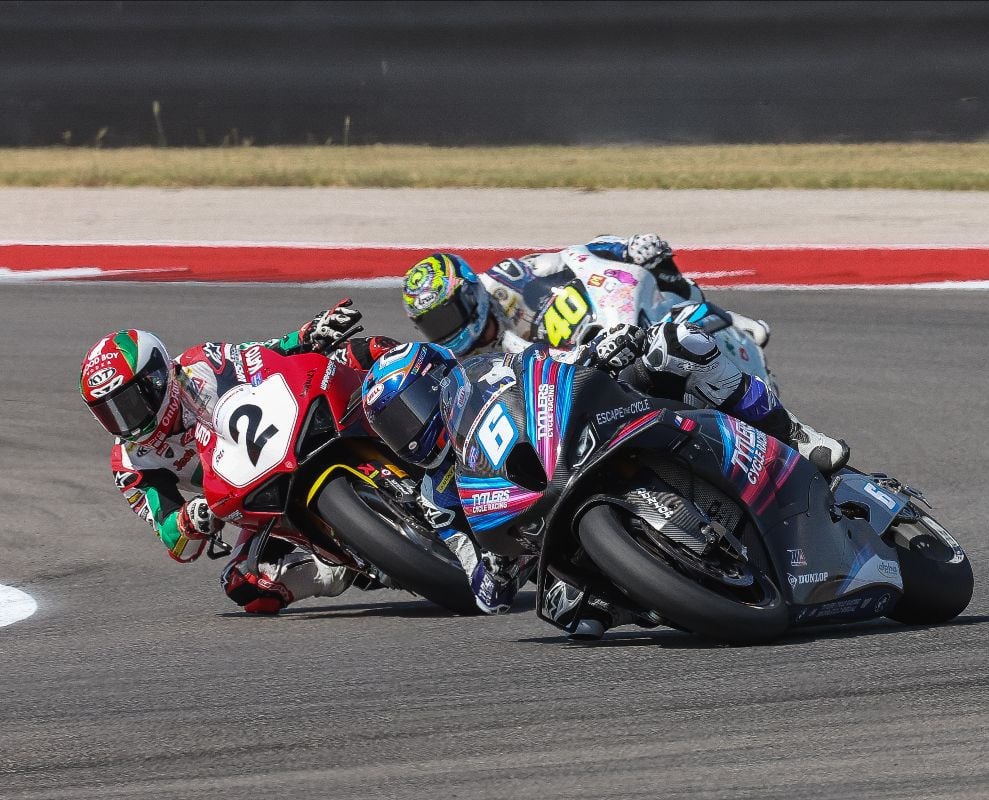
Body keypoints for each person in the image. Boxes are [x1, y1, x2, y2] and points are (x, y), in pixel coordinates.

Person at [361, 316, 849, 639]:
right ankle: (671, 590)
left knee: (678, 342)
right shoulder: (434, 499)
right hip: (556, 537)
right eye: (394, 427)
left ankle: (792, 433)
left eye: (412, 408)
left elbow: (553, 362)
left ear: (436, 380)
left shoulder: (491, 373)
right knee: (573, 616)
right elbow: (482, 589)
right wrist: (497, 569)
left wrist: (601, 347)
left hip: (593, 425)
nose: (410, 431)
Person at [79, 299, 400, 614]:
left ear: (157, 378)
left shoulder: (199, 365)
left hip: (286, 428)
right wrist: (191, 521)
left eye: (129, 403)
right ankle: (339, 567)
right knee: (244, 585)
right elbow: (172, 538)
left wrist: (308, 334)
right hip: (254, 497)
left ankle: (440, 417)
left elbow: (263, 354)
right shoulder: (131, 462)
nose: (125, 421)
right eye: (110, 412)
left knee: (366, 351)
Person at [400, 234, 771, 358]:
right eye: (432, 325)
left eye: (446, 316)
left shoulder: (501, 281)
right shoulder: (456, 364)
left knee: (652, 264)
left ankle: (712, 313)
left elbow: (571, 257)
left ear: (470, 294)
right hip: (552, 396)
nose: (445, 331)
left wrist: (623, 248)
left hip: (585, 339)